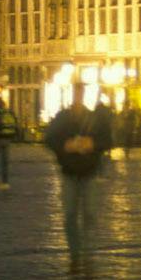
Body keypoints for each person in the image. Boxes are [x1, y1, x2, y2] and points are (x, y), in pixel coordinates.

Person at [43, 100, 108, 267]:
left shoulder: (95, 119)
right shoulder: (63, 118)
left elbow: (108, 139)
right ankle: (75, 254)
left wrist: (93, 144)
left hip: (89, 172)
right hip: (69, 172)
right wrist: (65, 146)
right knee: (70, 215)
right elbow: (48, 138)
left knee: (90, 214)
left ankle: (87, 253)